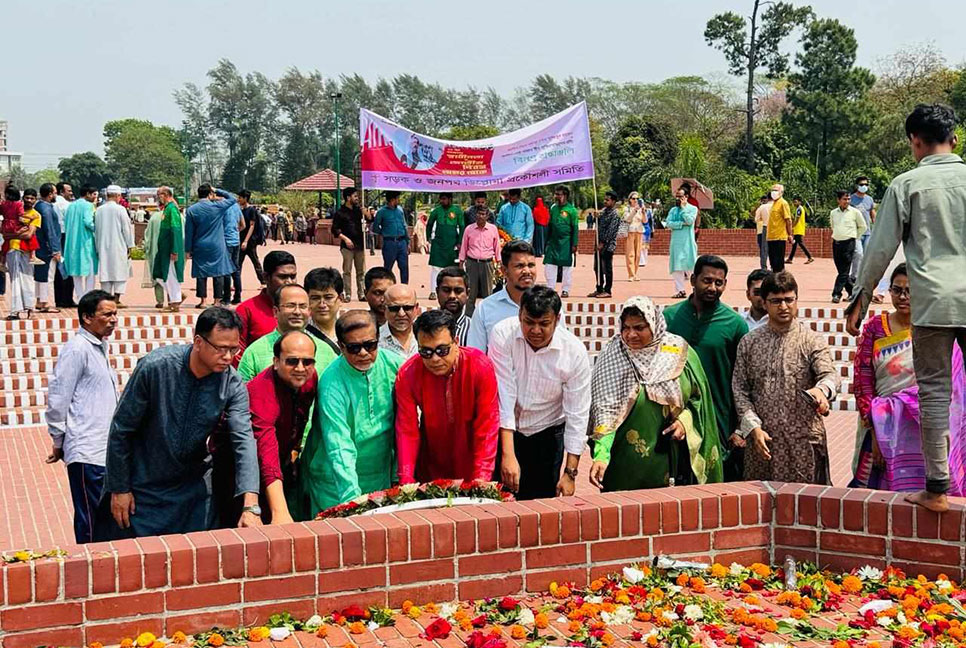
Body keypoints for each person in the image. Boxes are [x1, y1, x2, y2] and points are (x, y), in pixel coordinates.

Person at [847, 104, 966, 512]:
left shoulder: (907, 184)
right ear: (955, 139)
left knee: (934, 393)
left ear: (916, 142)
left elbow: (880, 248)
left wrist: (860, 299)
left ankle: (937, 490)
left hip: (931, 302)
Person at [96, 307, 262, 539]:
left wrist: (250, 504)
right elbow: (122, 430)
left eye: (234, 349)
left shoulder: (232, 384)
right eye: (221, 348)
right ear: (198, 342)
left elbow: (243, 439)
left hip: (191, 488)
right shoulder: (156, 367)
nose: (228, 357)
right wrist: (120, 487)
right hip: (142, 486)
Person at [850, 264, 966, 496]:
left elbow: (953, 384)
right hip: (882, 429)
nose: (903, 297)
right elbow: (863, 382)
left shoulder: (937, 329)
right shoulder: (875, 327)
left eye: (910, 291)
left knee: (931, 489)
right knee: (881, 496)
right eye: (897, 290)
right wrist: (875, 432)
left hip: (928, 428)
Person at [588, 297, 723, 492]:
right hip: (625, 463)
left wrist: (685, 422)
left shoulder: (679, 352)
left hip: (671, 460)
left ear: (654, 325)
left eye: (639, 328)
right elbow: (605, 411)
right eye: (626, 328)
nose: (630, 335)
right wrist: (601, 455)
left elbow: (698, 400)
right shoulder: (613, 354)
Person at [733, 271, 839, 484]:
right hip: (763, 443)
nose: (783, 306)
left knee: (807, 507)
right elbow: (740, 389)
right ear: (764, 303)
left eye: (789, 300)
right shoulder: (749, 342)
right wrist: (753, 427)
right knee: (761, 508)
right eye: (776, 301)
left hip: (803, 442)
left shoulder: (811, 341)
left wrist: (822, 391)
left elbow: (829, 375)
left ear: (796, 300)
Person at [488, 286, 591, 500]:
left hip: (547, 436)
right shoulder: (502, 334)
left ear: (557, 319)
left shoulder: (574, 352)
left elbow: (577, 415)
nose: (535, 331)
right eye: (528, 322)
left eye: (544, 324)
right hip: (505, 432)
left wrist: (570, 473)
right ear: (519, 315)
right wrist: (508, 454)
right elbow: (504, 395)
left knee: (540, 509)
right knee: (496, 506)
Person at [300, 310, 405, 514]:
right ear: (341, 346)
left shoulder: (395, 365)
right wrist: (352, 504)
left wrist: (398, 474)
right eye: (354, 348)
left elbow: (406, 422)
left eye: (370, 345)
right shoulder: (332, 383)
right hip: (335, 484)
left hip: (381, 478)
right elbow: (339, 445)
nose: (364, 353)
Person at [663, 256, 750, 481]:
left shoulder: (735, 324)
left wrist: (740, 426)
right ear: (693, 280)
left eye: (718, 282)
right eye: (707, 280)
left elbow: (743, 379)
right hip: (674, 417)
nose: (712, 287)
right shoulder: (669, 319)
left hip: (718, 419)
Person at [45, 290, 118, 543]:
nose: (113, 319)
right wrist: (58, 439)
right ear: (87, 317)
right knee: (91, 519)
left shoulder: (99, 348)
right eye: (106, 314)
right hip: (87, 451)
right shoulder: (77, 349)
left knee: (106, 519)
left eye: (115, 314)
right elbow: (58, 396)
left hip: (104, 449)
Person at [395, 310, 500, 483]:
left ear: (456, 342)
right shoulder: (408, 373)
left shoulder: (479, 365)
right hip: (431, 463)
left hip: (473, 459)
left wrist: (482, 476)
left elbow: (487, 425)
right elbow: (407, 430)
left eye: (442, 350)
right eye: (426, 352)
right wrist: (406, 479)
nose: (435, 359)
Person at [246, 330, 320, 524]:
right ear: (276, 361)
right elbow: (266, 450)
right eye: (292, 361)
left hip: (283, 466)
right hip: (244, 475)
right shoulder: (261, 392)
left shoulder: (310, 380)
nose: (301, 368)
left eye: (308, 361)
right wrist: (280, 512)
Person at [237, 284, 337, 381]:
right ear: (276, 311)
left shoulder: (326, 352)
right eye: (290, 306)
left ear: (309, 311)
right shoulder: (254, 353)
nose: (297, 312)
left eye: (302, 306)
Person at [466, 240, 537, 352]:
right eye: (520, 266)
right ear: (504, 270)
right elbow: (476, 355)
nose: (527, 271)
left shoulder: (549, 306)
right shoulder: (485, 309)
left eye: (531, 265)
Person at [236, 251, 298, 356]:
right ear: (266, 277)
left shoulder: (303, 309)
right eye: (282, 277)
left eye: (292, 277)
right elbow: (238, 354)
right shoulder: (246, 310)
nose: (289, 282)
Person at [184, 185, 237, 308]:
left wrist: (188, 249)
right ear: (209, 194)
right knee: (218, 272)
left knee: (201, 273)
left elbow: (188, 232)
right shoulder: (217, 206)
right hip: (217, 245)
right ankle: (217, 300)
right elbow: (233, 198)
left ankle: (203, 301)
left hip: (199, 244)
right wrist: (217, 190)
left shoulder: (192, 210)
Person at [94, 185, 135, 307]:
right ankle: (116, 299)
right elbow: (126, 229)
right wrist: (130, 245)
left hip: (103, 245)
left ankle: (106, 299)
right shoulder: (120, 209)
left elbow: (96, 230)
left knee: (106, 271)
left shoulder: (99, 210)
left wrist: (97, 246)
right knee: (120, 271)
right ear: (118, 196)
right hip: (119, 245)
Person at [2, 187, 38, 319]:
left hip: (25, 250)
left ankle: (30, 309)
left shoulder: (36, 215)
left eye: (32, 198)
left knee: (28, 279)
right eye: (27, 198)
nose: (29, 200)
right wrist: (15, 234)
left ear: (35, 200)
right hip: (12, 248)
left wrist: (12, 235)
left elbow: (28, 235)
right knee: (15, 279)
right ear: (22, 198)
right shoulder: (19, 211)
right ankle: (15, 311)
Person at [459, 200, 500, 316]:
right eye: (478, 214)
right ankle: (468, 317)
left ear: (487, 216)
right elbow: (464, 246)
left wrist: (499, 262)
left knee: (488, 292)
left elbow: (497, 246)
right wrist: (461, 262)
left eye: (483, 214)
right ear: (475, 215)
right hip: (472, 263)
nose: (480, 216)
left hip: (487, 263)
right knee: (471, 292)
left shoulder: (493, 229)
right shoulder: (469, 229)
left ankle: (488, 315)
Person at [829, 189, 867, 303]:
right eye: (844, 199)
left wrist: (855, 237)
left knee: (844, 271)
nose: (847, 201)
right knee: (842, 271)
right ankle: (853, 292)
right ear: (838, 200)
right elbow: (832, 226)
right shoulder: (833, 213)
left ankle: (836, 294)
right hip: (836, 243)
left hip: (849, 243)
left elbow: (863, 226)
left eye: (848, 199)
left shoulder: (855, 212)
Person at [63, 185, 98, 303]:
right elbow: (88, 222)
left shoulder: (70, 206)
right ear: (87, 194)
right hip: (85, 242)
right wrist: (98, 228)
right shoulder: (88, 206)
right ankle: (88, 297)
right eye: (93, 195)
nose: (94, 198)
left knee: (75, 273)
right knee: (90, 271)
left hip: (72, 242)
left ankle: (80, 297)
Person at [152, 187, 185, 312]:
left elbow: (175, 231)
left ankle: (175, 302)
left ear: (165, 195)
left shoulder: (172, 210)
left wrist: (174, 250)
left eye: (159, 195)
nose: (158, 197)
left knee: (171, 275)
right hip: (163, 249)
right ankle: (176, 296)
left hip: (170, 249)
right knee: (159, 274)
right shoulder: (167, 209)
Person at [331, 187, 367, 301]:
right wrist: (345, 239)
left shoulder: (359, 210)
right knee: (347, 271)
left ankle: (361, 293)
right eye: (355, 196)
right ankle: (347, 293)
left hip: (360, 245)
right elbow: (335, 230)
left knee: (361, 271)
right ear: (348, 198)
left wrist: (367, 214)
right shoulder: (340, 213)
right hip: (347, 247)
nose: (357, 198)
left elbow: (370, 220)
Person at [426, 192, 464, 299]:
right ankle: (433, 291)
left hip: (452, 243)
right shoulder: (436, 211)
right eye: (441, 199)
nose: (442, 201)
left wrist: (460, 242)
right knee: (435, 268)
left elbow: (462, 227)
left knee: (452, 268)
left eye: (444, 199)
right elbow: (429, 224)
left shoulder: (457, 211)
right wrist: (428, 237)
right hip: (438, 243)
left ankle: (452, 290)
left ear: (450, 199)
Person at [544, 185, 579, 298]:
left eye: (559, 194)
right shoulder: (553, 208)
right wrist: (547, 241)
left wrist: (574, 244)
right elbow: (549, 225)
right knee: (550, 265)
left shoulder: (572, 210)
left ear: (565, 196)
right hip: (553, 242)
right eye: (556, 194)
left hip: (566, 242)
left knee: (567, 267)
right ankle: (550, 288)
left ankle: (565, 289)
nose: (557, 196)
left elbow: (575, 228)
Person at [666, 187, 699, 298]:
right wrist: (681, 224)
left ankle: (696, 290)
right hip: (676, 242)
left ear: (686, 197)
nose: (678, 198)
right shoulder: (673, 210)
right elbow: (668, 223)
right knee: (676, 267)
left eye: (680, 196)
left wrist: (683, 209)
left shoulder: (693, 209)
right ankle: (680, 290)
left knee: (691, 266)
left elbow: (690, 221)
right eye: (677, 196)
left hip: (687, 242)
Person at [372, 191, 410, 284]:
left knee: (404, 266)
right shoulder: (382, 212)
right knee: (388, 268)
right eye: (397, 198)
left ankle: (404, 287)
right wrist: (383, 233)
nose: (399, 200)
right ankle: (387, 286)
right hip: (389, 242)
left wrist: (407, 242)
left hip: (402, 242)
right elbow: (375, 227)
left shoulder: (400, 210)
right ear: (392, 200)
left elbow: (404, 225)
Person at [304, 267, 343, 355]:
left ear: (341, 299)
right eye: (315, 298)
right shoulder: (301, 335)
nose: (322, 305)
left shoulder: (350, 330)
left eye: (328, 298)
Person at [589, 191, 620, 298]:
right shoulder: (603, 212)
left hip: (608, 246)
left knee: (607, 268)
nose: (605, 201)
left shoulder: (615, 214)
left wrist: (603, 242)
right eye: (605, 199)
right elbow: (596, 223)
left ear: (613, 201)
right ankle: (599, 288)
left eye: (608, 200)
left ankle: (608, 290)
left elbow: (611, 231)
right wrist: (595, 216)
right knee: (597, 267)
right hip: (598, 244)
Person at [378, 283, 421, 358]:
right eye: (394, 308)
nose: (401, 314)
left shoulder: (427, 336)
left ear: (416, 308)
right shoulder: (375, 341)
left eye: (407, 308)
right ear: (384, 309)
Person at [849, 176, 876, 283]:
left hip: (868, 232)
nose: (864, 186)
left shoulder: (869, 199)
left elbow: (872, 214)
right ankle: (854, 277)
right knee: (859, 254)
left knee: (866, 257)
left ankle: (863, 278)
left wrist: (876, 225)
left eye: (866, 184)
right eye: (861, 184)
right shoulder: (851, 199)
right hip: (856, 233)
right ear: (857, 186)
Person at [238, 189, 266, 288]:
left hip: (250, 241)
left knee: (255, 261)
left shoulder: (251, 210)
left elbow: (252, 226)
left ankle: (263, 282)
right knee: (238, 263)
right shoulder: (241, 210)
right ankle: (237, 283)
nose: (239, 199)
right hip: (241, 239)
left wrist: (246, 240)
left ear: (245, 198)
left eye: (240, 198)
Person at [52, 182, 75, 308]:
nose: (71, 193)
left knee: (59, 269)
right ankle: (67, 299)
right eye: (69, 191)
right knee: (67, 268)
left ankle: (59, 299)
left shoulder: (53, 204)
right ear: (62, 192)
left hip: (57, 237)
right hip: (65, 237)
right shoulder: (67, 205)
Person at [436, 266, 471, 345]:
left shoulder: (475, 329)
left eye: (458, 291)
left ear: (468, 293)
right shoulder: (426, 327)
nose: (452, 296)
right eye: (446, 290)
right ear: (437, 292)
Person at [221, 197, 244, 305]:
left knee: (226, 270)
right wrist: (235, 231)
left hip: (226, 241)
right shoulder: (236, 207)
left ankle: (226, 297)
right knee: (236, 269)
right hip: (236, 241)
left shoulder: (223, 208)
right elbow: (243, 225)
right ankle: (238, 295)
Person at [765, 183, 793, 273]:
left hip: (779, 237)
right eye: (772, 190)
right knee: (773, 262)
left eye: (776, 190)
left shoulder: (783, 203)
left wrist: (790, 234)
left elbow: (788, 220)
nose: (773, 192)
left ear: (781, 192)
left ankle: (780, 281)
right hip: (771, 237)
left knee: (778, 263)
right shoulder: (774, 203)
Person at [142, 203, 166, 308]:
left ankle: (160, 301)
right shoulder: (178, 216)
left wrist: (146, 248)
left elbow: (147, 236)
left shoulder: (154, 217)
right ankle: (173, 300)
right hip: (172, 252)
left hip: (156, 251)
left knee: (157, 276)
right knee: (171, 277)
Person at [786, 196, 814, 264]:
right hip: (798, 229)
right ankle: (790, 259)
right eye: (794, 202)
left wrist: (792, 226)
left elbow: (797, 220)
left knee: (800, 244)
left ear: (800, 202)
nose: (794, 203)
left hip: (798, 229)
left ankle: (810, 257)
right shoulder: (799, 209)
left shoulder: (799, 209)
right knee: (794, 244)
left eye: (795, 202)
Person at [623, 192, 645, 282]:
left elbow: (645, 221)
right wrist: (634, 210)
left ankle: (635, 273)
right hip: (630, 231)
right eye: (633, 198)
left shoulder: (640, 209)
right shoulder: (627, 209)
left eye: (637, 198)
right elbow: (627, 219)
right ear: (630, 199)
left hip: (639, 231)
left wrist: (643, 212)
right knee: (630, 253)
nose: (635, 200)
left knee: (638, 254)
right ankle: (631, 274)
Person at [753, 194, 771, 271]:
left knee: (764, 249)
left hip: (763, 229)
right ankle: (771, 266)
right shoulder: (771, 206)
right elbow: (753, 215)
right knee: (765, 248)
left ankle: (764, 266)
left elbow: (756, 219)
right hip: (763, 230)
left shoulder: (762, 208)